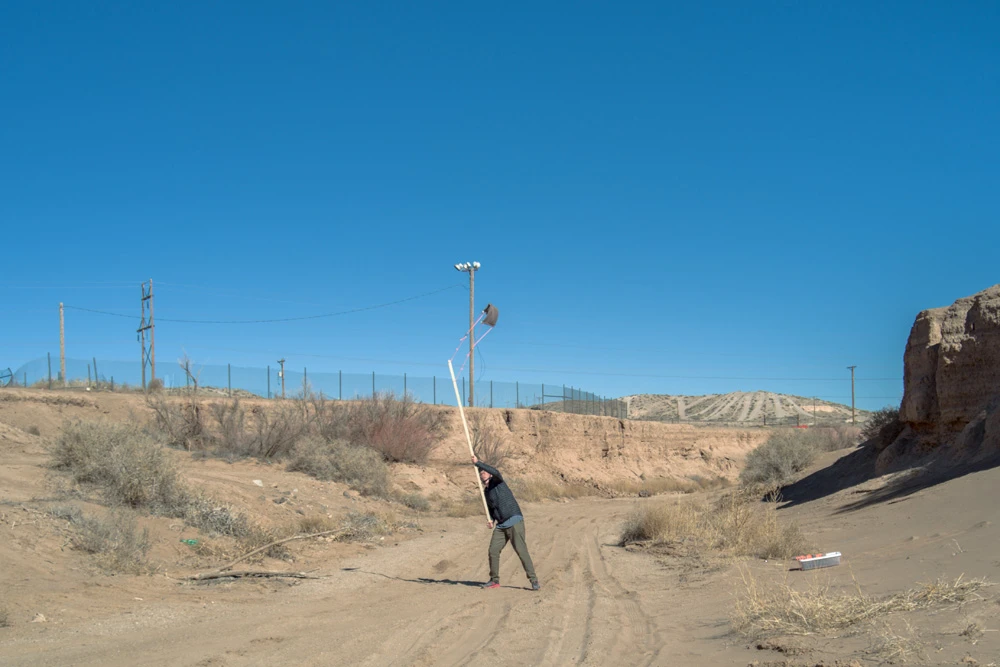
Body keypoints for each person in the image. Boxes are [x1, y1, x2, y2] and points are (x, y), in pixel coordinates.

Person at [472, 455, 540, 591]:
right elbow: (491, 509)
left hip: (514, 520)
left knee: (521, 551)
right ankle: (494, 580)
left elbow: (495, 471)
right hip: (501, 525)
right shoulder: (486, 491)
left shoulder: (498, 482)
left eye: (484, 472)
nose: (482, 473)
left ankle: (533, 580)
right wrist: (491, 520)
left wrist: (478, 463)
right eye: (481, 473)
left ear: (490, 474)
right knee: (493, 551)